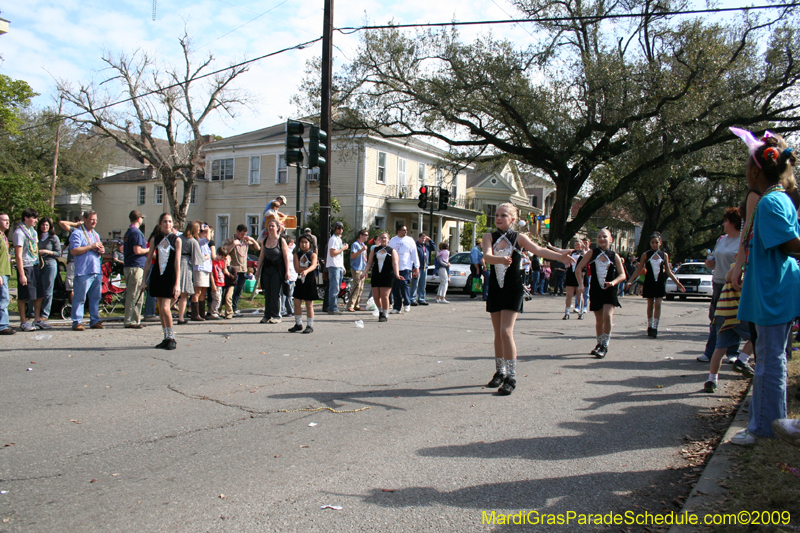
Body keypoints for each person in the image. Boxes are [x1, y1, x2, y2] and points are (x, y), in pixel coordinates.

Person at [728, 128, 800, 445]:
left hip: (773, 293)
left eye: (746, 165)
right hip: (771, 292)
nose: (744, 170)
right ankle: (769, 423)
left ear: (756, 170)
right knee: (769, 360)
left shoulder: (770, 203)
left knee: (769, 363)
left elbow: (790, 244)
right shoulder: (776, 199)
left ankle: (767, 428)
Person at [483, 203, 574, 395]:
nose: (498, 218)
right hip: (495, 289)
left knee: (506, 331)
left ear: (513, 219)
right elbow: (487, 257)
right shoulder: (488, 237)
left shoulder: (519, 238)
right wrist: (500, 260)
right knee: (497, 333)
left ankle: (511, 377)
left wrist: (560, 255)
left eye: (504, 215)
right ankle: (500, 371)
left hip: (513, 288)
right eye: (497, 215)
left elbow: (540, 250)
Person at [697, 208, 744, 362]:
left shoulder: (742, 241)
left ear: (733, 222)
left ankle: (733, 352)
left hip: (732, 284)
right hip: (718, 282)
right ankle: (710, 352)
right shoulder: (721, 239)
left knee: (733, 318)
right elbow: (714, 259)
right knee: (715, 318)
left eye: (725, 221)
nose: (723, 224)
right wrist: (710, 263)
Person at [575, 228, 627, 358]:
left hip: (610, 289)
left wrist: (613, 282)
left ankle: (605, 344)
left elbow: (622, 275)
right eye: (599, 237)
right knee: (599, 319)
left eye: (604, 237)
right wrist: (581, 284)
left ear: (610, 239)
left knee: (607, 316)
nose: (602, 239)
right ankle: (599, 343)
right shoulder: (592, 253)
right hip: (595, 289)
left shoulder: (614, 256)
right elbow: (578, 268)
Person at [627, 232, 686, 338]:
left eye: (656, 242)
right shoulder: (646, 255)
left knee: (658, 304)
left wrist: (678, 283)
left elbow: (668, 271)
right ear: (650, 243)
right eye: (653, 242)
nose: (655, 244)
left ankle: (655, 326)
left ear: (660, 243)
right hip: (649, 282)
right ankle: (649, 325)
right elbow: (639, 269)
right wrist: (630, 281)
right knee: (650, 304)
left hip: (659, 282)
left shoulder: (664, 255)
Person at [143, 213, 181, 349]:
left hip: (170, 276)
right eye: (165, 222)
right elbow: (148, 260)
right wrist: (143, 281)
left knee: (165, 308)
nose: (168, 224)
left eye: (170, 221)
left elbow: (177, 263)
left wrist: (177, 283)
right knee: (161, 309)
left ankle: (172, 337)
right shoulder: (155, 239)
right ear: (160, 224)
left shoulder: (176, 240)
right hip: (157, 275)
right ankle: (165, 337)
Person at [69, 211, 105, 331]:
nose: (94, 222)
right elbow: (74, 250)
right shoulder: (77, 233)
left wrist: (101, 250)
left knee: (95, 297)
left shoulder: (96, 234)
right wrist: (91, 246)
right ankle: (77, 321)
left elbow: (96, 248)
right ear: (84, 219)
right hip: (83, 270)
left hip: (96, 269)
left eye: (95, 220)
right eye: (91, 219)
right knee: (80, 297)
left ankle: (95, 320)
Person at [13, 208, 47, 331]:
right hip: (26, 266)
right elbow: (18, 255)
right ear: (26, 218)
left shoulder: (33, 231)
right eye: (34, 217)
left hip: (35, 264)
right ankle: (23, 321)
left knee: (39, 293)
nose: (36, 220)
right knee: (24, 295)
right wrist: (22, 274)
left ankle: (37, 319)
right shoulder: (19, 233)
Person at [362, 232, 403, 322]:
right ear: (379, 239)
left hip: (388, 275)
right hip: (376, 275)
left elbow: (395, 263)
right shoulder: (375, 249)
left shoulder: (392, 251)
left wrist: (397, 274)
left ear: (388, 239)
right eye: (381, 238)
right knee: (376, 296)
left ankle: (385, 313)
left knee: (384, 296)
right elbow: (369, 262)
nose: (383, 239)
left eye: (385, 238)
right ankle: (380, 311)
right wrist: (364, 272)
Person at [221, 224, 260, 316]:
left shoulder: (245, 241)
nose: (243, 236)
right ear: (237, 232)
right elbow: (224, 251)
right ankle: (228, 308)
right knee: (232, 290)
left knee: (239, 290)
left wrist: (252, 240)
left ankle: (235, 308)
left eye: (245, 234)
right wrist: (233, 244)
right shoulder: (230, 240)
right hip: (234, 269)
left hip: (243, 269)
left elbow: (258, 248)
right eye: (242, 234)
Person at [257, 219, 291, 324]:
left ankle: (276, 316)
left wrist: (287, 272)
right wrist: (257, 270)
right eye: (269, 226)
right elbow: (262, 255)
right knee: (267, 292)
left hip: (278, 270)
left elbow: (286, 256)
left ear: (277, 228)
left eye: (273, 226)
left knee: (275, 293)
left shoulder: (281, 241)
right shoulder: (265, 240)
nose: (271, 228)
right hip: (267, 269)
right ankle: (267, 315)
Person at [123, 210, 149, 329]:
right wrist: (149, 250)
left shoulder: (129, 232)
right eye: (142, 218)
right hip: (135, 266)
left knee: (137, 294)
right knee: (134, 294)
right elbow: (137, 250)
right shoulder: (136, 232)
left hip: (131, 265)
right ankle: (130, 320)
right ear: (138, 219)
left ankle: (135, 319)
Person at [289, 233, 318, 333]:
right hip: (300, 279)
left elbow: (314, 265)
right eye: (302, 242)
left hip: (309, 279)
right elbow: (297, 268)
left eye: (306, 242)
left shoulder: (313, 255)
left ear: (310, 243)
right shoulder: (296, 255)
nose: (304, 244)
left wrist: (306, 270)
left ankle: (310, 325)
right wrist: (303, 270)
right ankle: (298, 323)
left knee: (309, 303)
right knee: (297, 301)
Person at [176, 221, 203, 325]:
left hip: (177, 262)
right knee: (184, 293)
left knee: (177, 291)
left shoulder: (179, 238)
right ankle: (180, 317)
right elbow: (198, 258)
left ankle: (166, 310)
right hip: (185, 265)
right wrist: (206, 257)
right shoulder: (192, 241)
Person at [388, 225, 419, 314]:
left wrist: (416, 266)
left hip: (406, 267)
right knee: (395, 287)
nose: (405, 231)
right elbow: (389, 252)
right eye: (403, 230)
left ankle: (407, 302)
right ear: (398, 231)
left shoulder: (409, 240)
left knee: (404, 284)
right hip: (395, 267)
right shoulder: (393, 240)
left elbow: (414, 253)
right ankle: (397, 307)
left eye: (406, 230)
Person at [37, 217, 61, 323]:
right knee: (38, 288)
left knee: (48, 289)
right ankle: (34, 312)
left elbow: (58, 253)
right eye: (43, 225)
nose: (44, 227)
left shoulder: (53, 238)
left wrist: (46, 251)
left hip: (50, 264)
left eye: (47, 225)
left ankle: (45, 313)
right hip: (38, 264)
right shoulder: (36, 236)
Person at [325, 221, 348, 315]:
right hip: (333, 266)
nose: (340, 230)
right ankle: (332, 308)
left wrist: (343, 267)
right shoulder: (333, 239)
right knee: (334, 288)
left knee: (337, 288)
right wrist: (343, 248)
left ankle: (333, 307)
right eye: (338, 228)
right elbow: (332, 253)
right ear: (335, 229)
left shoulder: (338, 239)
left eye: (342, 228)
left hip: (338, 266)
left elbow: (339, 255)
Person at [191, 222, 213, 321]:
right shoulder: (198, 240)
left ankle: (201, 313)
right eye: (202, 231)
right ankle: (194, 313)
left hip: (206, 269)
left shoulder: (205, 243)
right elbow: (208, 239)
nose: (204, 233)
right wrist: (207, 230)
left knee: (203, 292)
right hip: (199, 268)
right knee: (197, 291)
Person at [561, 240, 585, 320]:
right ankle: (567, 313)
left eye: (578, 244)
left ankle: (581, 312)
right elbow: (560, 251)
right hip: (571, 274)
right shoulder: (572, 252)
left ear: (581, 245)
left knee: (579, 295)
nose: (577, 246)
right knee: (569, 295)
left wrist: (584, 250)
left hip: (580, 275)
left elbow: (586, 260)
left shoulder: (584, 253)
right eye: (576, 244)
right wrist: (550, 247)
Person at [347, 230, 369, 311]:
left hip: (362, 269)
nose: (367, 236)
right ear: (361, 235)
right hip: (356, 269)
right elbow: (353, 256)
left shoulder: (363, 245)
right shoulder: (355, 245)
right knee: (357, 287)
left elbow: (364, 259)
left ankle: (356, 304)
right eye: (366, 235)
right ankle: (350, 305)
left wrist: (365, 270)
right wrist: (361, 250)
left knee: (361, 288)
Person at [0, 213, 13, 335]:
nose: (7, 222)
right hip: (1, 272)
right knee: (4, 299)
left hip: (5, 271)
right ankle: (3, 325)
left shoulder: (3, 236)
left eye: (8, 220)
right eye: (4, 220)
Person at [207, 249, 226, 320]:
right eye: (221, 257)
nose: (222, 259)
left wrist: (224, 261)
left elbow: (225, 270)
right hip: (216, 283)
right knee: (216, 299)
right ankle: (213, 312)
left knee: (219, 299)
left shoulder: (221, 262)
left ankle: (216, 311)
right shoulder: (213, 262)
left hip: (221, 283)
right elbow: (211, 274)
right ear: (217, 254)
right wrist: (213, 284)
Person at [282, 236, 297, 317]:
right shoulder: (286, 252)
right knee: (286, 294)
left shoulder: (289, 250)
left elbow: (293, 245)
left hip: (292, 275)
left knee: (289, 294)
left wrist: (290, 242)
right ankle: (288, 310)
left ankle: (289, 310)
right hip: (289, 275)